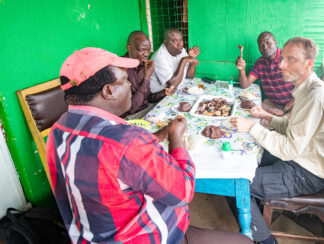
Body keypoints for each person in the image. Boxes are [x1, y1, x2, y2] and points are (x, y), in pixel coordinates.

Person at [47, 47, 252, 244]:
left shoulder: (58, 130)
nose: (130, 86)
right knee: (244, 241)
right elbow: (184, 191)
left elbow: (115, 161)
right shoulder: (128, 141)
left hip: (92, 236)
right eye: (126, 80)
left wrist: (159, 135)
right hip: (149, 236)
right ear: (108, 90)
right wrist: (175, 137)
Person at [231, 37, 324, 244]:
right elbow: (294, 129)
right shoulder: (308, 90)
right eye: (283, 58)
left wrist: (253, 126)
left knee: (234, 182)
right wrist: (267, 118)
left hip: (308, 172)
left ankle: (265, 240)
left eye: (290, 59)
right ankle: (253, 215)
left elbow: (289, 149)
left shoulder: (316, 97)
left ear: (309, 64)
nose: (281, 64)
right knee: (243, 156)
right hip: (304, 156)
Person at [235, 32, 295, 116]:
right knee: (252, 114)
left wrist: (284, 109)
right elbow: (245, 84)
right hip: (272, 104)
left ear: (275, 43)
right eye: (261, 45)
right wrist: (242, 70)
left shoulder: (289, 59)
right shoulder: (260, 63)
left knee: (280, 125)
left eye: (268, 43)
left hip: (293, 105)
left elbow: (304, 91)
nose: (265, 47)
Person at [122, 31, 175, 119]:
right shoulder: (121, 70)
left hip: (146, 109)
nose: (146, 54)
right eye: (142, 50)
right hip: (131, 116)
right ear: (129, 48)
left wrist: (163, 93)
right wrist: (147, 77)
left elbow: (147, 98)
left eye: (148, 50)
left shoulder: (142, 66)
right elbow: (131, 108)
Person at [150, 28, 200, 93]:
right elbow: (173, 85)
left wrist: (192, 58)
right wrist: (183, 60)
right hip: (161, 97)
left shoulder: (180, 50)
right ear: (165, 42)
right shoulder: (159, 57)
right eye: (174, 41)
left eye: (181, 40)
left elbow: (190, 76)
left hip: (179, 90)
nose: (179, 44)